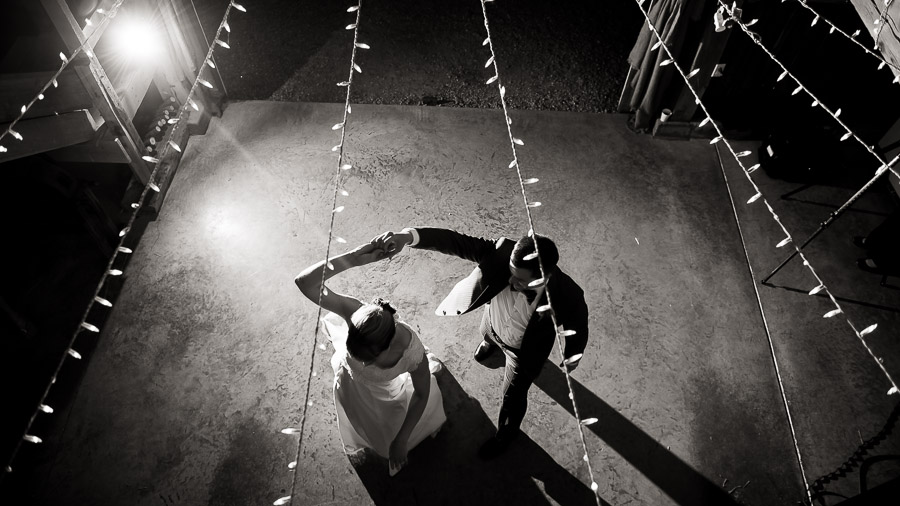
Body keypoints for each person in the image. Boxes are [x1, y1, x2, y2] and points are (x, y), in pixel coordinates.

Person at [378, 227, 589, 459]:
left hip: (522, 352)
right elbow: (455, 241)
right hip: (492, 322)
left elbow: (578, 325)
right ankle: (490, 344)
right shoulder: (500, 252)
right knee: (487, 334)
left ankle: (505, 435)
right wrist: (408, 236)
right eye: (510, 273)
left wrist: (573, 355)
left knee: (513, 398)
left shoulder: (568, 295)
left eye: (519, 280)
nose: (510, 281)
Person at [294, 240, 446, 476]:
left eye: (368, 359)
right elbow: (305, 283)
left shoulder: (412, 352)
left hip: (386, 394)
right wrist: (353, 258)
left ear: (387, 348)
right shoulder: (353, 311)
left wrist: (401, 439)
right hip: (353, 386)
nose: (363, 365)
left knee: (389, 429)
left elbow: (422, 393)